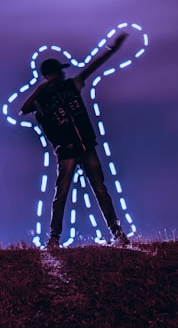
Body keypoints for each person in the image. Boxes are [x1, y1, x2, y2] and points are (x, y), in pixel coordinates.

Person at [18, 32, 131, 248]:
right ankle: (54, 238)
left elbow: (91, 68)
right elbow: (23, 110)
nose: (62, 74)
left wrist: (112, 50)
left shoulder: (71, 86)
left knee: (100, 190)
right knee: (62, 195)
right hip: (67, 152)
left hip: (86, 145)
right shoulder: (42, 99)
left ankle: (117, 233)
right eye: (58, 72)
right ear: (51, 74)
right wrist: (41, 88)